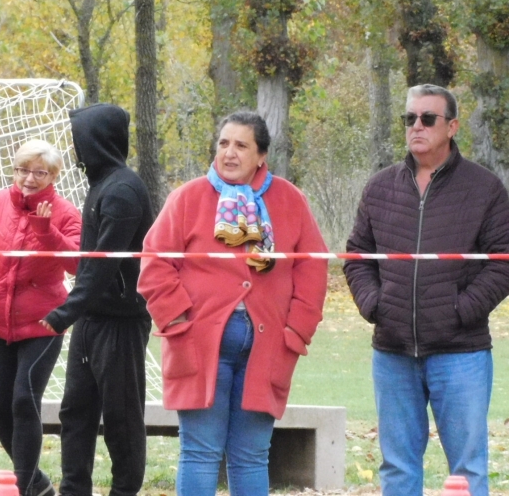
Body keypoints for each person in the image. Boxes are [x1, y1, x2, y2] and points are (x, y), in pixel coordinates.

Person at [137, 110, 328, 496]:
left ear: (261, 155)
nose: (229, 153)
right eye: (224, 143)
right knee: (201, 452)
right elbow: (155, 264)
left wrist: (296, 329)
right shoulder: (187, 197)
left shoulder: (290, 199)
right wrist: (177, 320)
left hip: (268, 344)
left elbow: (313, 270)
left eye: (241, 145)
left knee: (252, 454)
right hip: (198, 341)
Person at [344, 84, 509, 496]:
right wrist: (374, 304)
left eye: (427, 118)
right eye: (409, 118)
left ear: (451, 126)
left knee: (467, 471)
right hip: (393, 352)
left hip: (461, 354)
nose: (416, 126)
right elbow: (357, 255)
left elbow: (503, 262)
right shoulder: (380, 186)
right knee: (397, 468)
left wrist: (460, 310)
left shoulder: (484, 188)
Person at [39, 103, 154, 496]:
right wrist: (78, 313)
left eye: (78, 139)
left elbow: (104, 266)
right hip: (91, 320)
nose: (74, 148)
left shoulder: (123, 190)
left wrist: (66, 311)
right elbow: (89, 265)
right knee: (76, 413)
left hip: (119, 322)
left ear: (96, 140)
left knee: (121, 419)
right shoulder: (99, 186)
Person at [0, 140, 82, 496]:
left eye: (39, 172)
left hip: (43, 323)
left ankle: (26, 488)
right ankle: (38, 483)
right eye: (22, 170)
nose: (29, 179)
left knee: (23, 398)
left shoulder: (65, 212)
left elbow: (77, 263)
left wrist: (47, 231)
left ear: (53, 176)